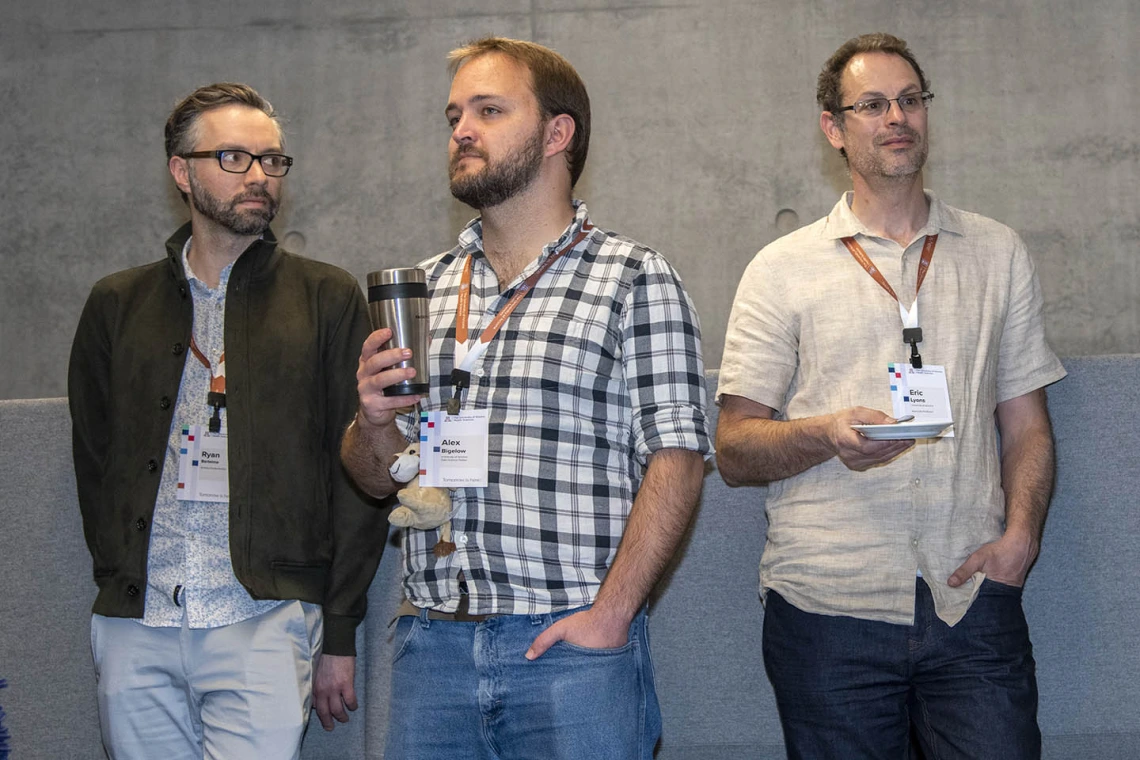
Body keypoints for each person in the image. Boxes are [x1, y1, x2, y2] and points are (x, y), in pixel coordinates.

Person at [341, 37, 710, 759]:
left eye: (488, 110)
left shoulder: (632, 278)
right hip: (432, 646)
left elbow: (679, 458)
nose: (461, 131)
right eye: (453, 116)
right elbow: (375, 475)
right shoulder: (424, 287)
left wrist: (612, 615)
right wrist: (372, 421)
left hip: (570, 648)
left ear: (557, 133)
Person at [715, 33, 1066, 759]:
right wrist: (827, 434)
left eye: (910, 100)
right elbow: (734, 449)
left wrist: (1021, 539)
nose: (896, 117)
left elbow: (1027, 427)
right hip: (826, 609)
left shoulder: (997, 253)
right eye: (871, 104)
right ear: (834, 129)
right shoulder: (781, 269)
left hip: (971, 596)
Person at [68, 82, 387, 759]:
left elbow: (358, 475)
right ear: (182, 171)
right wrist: (114, 574)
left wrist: (338, 629)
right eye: (235, 158)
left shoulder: (325, 297)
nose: (260, 177)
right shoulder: (116, 304)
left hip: (261, 616)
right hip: (139, 621)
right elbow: (94, 460)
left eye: (273, 161)